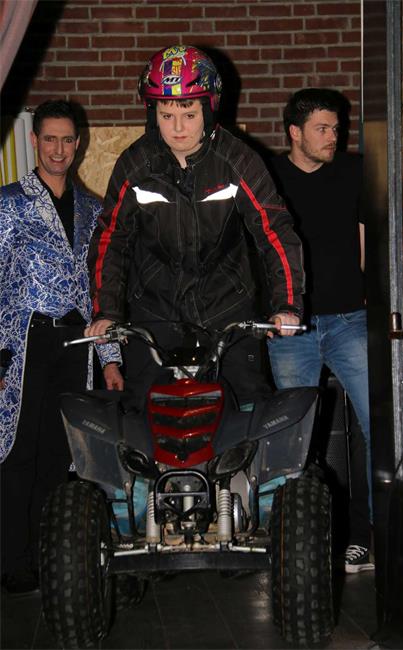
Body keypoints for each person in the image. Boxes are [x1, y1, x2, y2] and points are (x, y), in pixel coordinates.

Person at [85, 44, 305, 410]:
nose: (177, 128)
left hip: (227, 312)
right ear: (152, 112)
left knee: (248, 414)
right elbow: (111, 240)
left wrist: (287, 305)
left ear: (209, 108)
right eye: (166, 114)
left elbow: (274, 231)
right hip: (154, 316)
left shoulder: (238, 160)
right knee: (143, 419)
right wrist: (106, 312)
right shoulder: (135, 165)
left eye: (188, 114)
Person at [0, 100, 123, 595]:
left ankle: (48, 559)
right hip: (23, 343)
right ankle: (12, 561)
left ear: (78, 143)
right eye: (49, 138)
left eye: (67, 139)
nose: (58, 149)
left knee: (61, 455)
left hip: (77, 345)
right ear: (34, 141)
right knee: (17, 451)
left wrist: (110, 357)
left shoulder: (93, 210)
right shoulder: (8, 203)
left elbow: (102, 291)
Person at [267, 88, 374, 574]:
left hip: (350, 320)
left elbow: (365, 237)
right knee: (293, 440)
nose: (334, 136)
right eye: (323, 129)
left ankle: (365, 536)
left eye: (336, 128)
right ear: (295, 132)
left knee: (378, 427)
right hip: (293, 331)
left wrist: (370, 291)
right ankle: (300, 545)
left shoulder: (353, 172)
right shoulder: (270, 176)